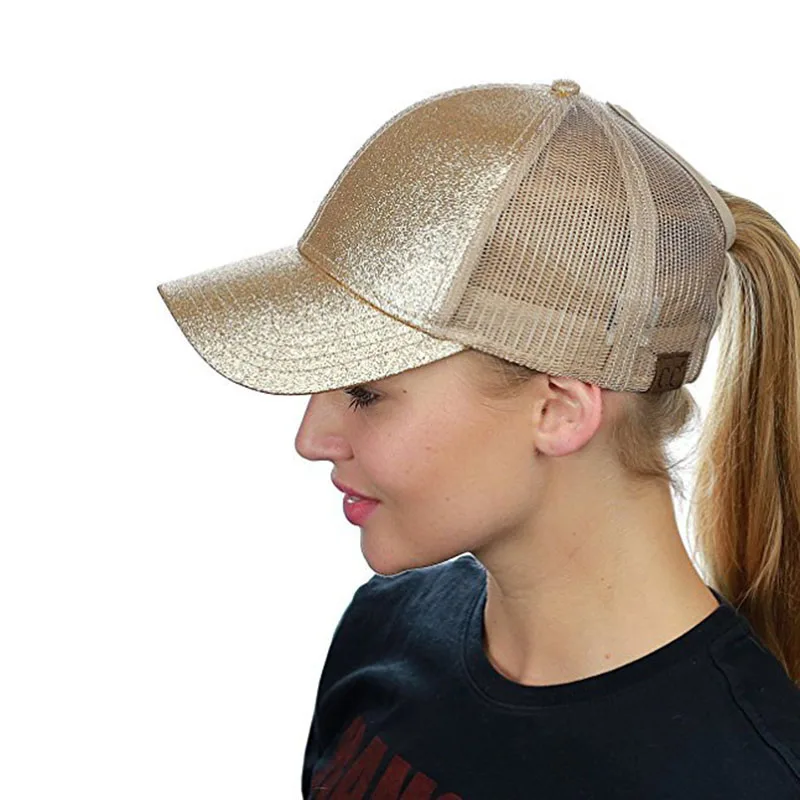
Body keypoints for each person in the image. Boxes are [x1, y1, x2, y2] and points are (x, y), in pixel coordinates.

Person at [157, 79, 800, 798]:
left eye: (365, 392)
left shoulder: (746, 778)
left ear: (558, 410)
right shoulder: (384, 633)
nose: (312, 439)